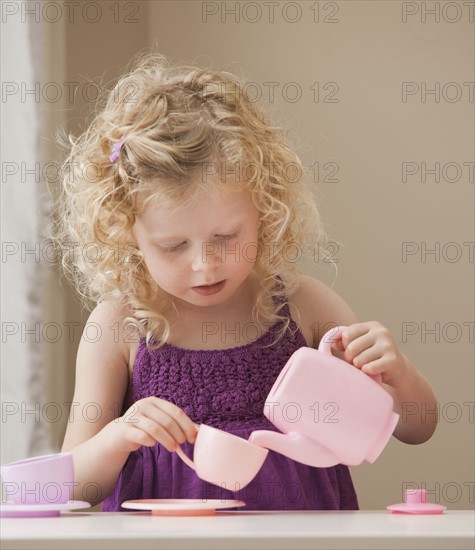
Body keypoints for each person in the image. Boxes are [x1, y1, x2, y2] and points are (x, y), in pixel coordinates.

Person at [51, 52, 437, 511]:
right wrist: (119, 437)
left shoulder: (306, 308)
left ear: (265, 208)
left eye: (225, 236)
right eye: (174, 246)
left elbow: (416, 428)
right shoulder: (118, 326)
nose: (204, 264)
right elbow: (69, 488)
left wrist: (399, 376)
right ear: (126, 234)